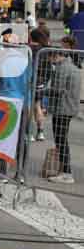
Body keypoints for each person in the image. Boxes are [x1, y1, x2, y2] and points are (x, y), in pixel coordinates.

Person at [43, 46, 81, 184]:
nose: (49, 61)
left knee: (60, 140)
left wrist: (42, 91)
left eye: (49, 57)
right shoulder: (72, 67)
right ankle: (65, 171)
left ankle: (66, 173)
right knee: (62, 139)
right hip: (69, 108)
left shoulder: (62, 68)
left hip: (62, 108)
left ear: (55, 56)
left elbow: (57, 89)